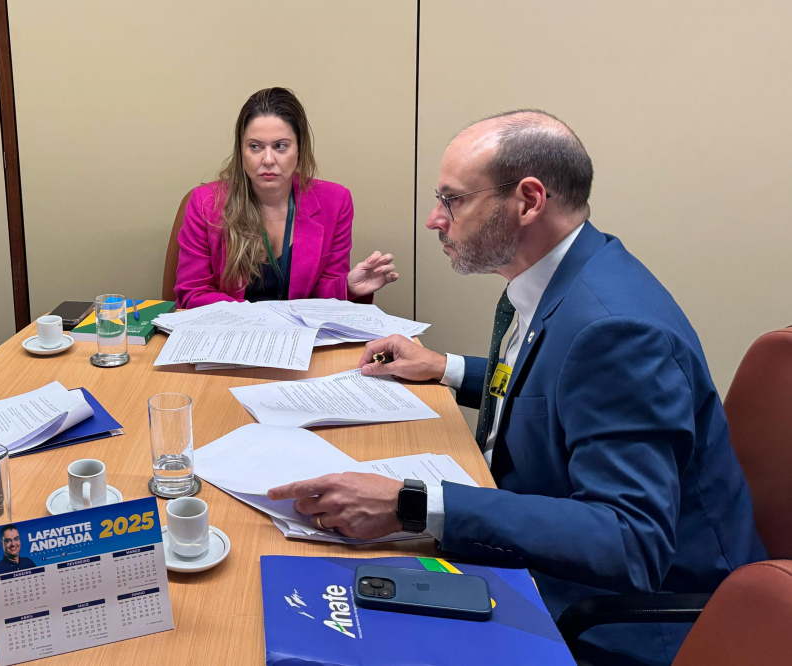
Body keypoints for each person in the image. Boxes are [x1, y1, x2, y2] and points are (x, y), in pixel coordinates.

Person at [268, 111, 765, 665]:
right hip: (560, 567)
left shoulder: (617, 331)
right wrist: (446, 367)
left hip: (628, 620)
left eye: (453, 200)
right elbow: (560, 388)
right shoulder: (566, 278)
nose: (435, 219)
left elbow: (630, 540)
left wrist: (413, 504)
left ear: (528, 201)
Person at [173, 87, 398, 308]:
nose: (268, 160)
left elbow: (323, 297)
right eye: (255, 147)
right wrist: (257, 318)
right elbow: (193, 293)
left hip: (302, 331)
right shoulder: (205, 202)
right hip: (230, 328)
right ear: (241, 151)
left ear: (300, 149)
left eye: (280, 146)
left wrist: (347, 286)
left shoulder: (336, 201)